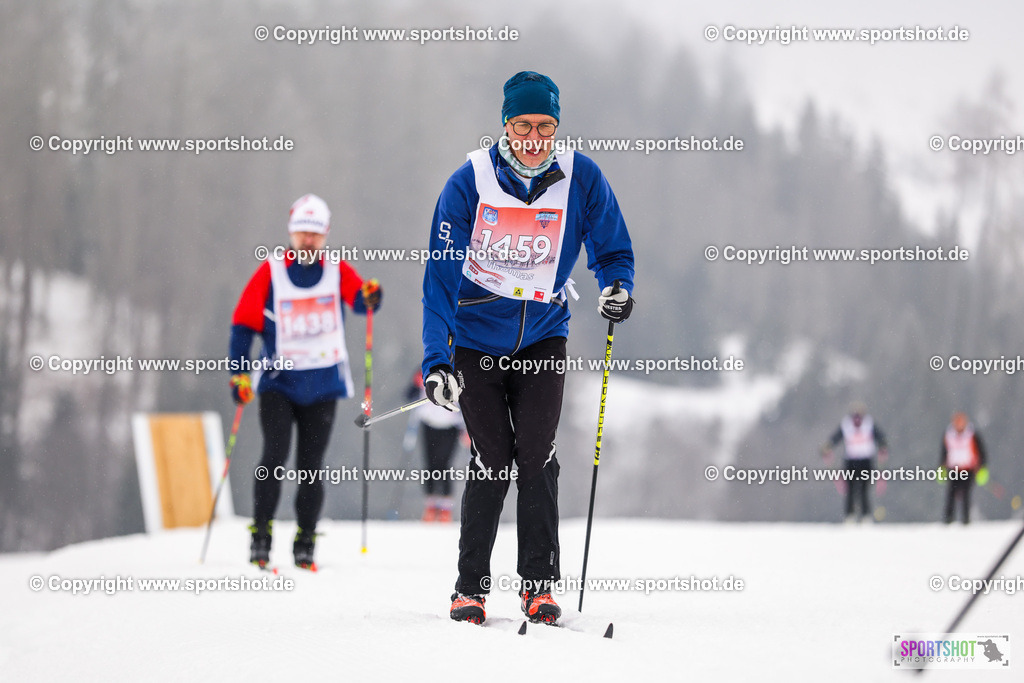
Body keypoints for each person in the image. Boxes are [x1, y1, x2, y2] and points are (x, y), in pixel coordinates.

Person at [421, 71, 635, 625]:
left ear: (556, 127)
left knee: (536, 451)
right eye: (523, 126)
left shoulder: (580, 176)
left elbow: (612, 248)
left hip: (544, 334)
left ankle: (538, 586)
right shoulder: (468, 182)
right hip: (474, 340)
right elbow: (439, 278)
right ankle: (470, 588)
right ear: (505, 126)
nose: (534, 138)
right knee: (492, 457)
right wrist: (435, 357)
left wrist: (618, 287)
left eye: (545, 126)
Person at [229, 194, 382, 569]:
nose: (308, 241)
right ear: (291, 233)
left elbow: (362, 302)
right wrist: (238, 373)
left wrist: (371, 296)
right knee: (274, 457)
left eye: (315, 234)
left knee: (311, 465)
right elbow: (243, 325)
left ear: (326, 234)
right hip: (279, 384)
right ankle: (261, 537)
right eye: (302, 233)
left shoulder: (336, 270)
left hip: (323, 386)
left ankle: (305, 542)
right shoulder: (271, 271)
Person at [404, 370, 466, 522]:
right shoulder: (425, 369)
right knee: (430, 464)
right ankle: (431, 505)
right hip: (429, 423)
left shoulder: (457, 372)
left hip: (450, 426)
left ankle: (445, 507)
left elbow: (465, 401)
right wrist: (415, 383)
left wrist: (467, 429)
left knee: (444, 464)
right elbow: (409, 396)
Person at [822, 402, 888, 523]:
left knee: (864, 490)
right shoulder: (846, 424)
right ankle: (850, 516)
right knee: (850, 490)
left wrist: (883, 444)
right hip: (851, 461)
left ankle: (865, 516)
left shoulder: (869, 423)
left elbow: (880, 437)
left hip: (865, 460)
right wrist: (828, 445)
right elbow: (836, 437)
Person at [940, 411, 988, 524]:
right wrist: (941, 467)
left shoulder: (972, 434)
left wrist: (982, 467)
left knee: (966, 494)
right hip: (953, 469)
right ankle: (948, 518)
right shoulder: (948, 435)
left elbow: (981, 451)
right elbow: (944, 451)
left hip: (968, 469)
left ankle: (965, 519)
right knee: (951, 493)